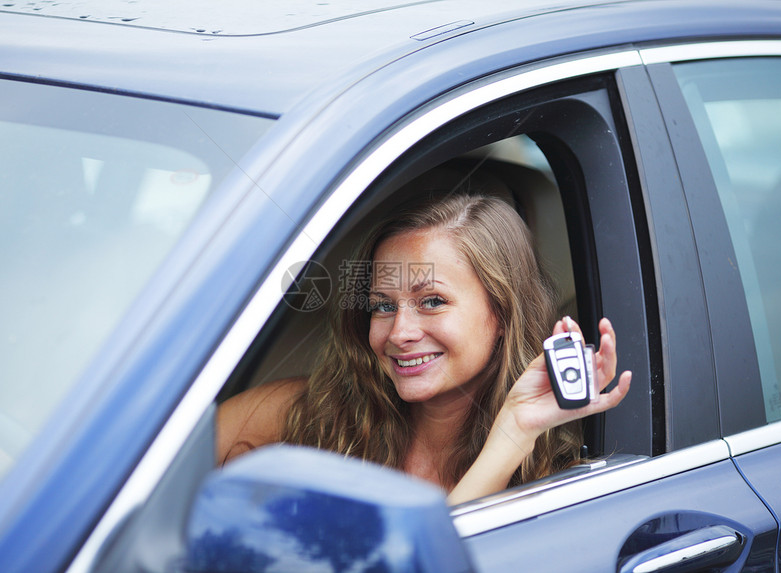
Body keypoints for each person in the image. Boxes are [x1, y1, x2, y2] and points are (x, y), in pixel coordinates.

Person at [217, 193, 631, 504]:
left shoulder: (562, 487)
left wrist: (514, 433)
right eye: (382, 305)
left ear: (502, 315)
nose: (399, 332)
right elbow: (155, 456)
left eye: (432, 301)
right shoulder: (304, 414)